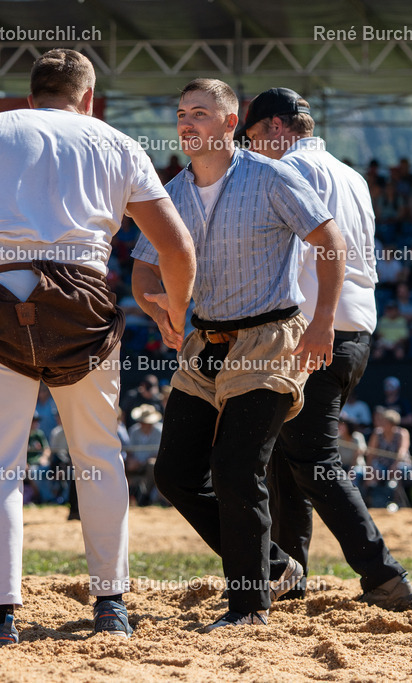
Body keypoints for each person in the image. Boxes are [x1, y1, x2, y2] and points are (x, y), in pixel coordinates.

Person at [0, 48, 195, 645]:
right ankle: (111, 604)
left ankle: (0, 618)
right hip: (81, 295)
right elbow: (177, 248)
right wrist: (176, 313)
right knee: (97, 455)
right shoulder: (115, 142)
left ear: (32, 91)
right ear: (88, 98)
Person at [132, 78, 346, 631]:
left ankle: (248, 606)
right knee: (175, 475)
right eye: (181, 113)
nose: (187, 123)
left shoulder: (273, 176)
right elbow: (142, 267)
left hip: (270, 338)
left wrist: (322, 324)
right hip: (204, 340)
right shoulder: (170, 191)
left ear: (230, 123)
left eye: (200, 113)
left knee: (235, 466)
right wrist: (157, 311)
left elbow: (331, 243)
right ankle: (276, 565)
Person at [240, 87, 412, 611]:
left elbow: (300, 253)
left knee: (309, 455)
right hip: (354, 327)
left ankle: (383, 573)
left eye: (252, 137)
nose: (250, 148)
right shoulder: (352, 175)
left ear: (275, 128)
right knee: (286, 453)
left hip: (315, 327)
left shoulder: (287, 170)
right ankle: (291, 573)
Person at [125, 404, 163, 505]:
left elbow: (159, 453)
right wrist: (131, 460)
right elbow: (129, 451)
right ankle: (127, 497)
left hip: (149, 463)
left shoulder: (159, 431)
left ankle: (146, 496)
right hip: (136, 463)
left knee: (152, 465)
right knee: (123, 464)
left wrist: (142, 462)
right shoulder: (134, 431)